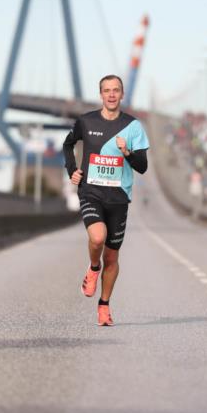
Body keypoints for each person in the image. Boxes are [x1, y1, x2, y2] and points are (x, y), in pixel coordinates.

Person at [63, 75, 149, 326]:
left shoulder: (133, 127)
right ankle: (92, 267)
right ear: (100, 94)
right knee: (97, 237)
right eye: (107, 91)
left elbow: (142, 167)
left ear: (122, 95)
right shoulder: (86, 121)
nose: (111, 95)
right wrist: (72, 171)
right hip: (91, 192)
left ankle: (104, 306)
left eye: (116, 91)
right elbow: (67, 146)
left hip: (119, 198)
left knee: (112, 257)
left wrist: (127, 152)